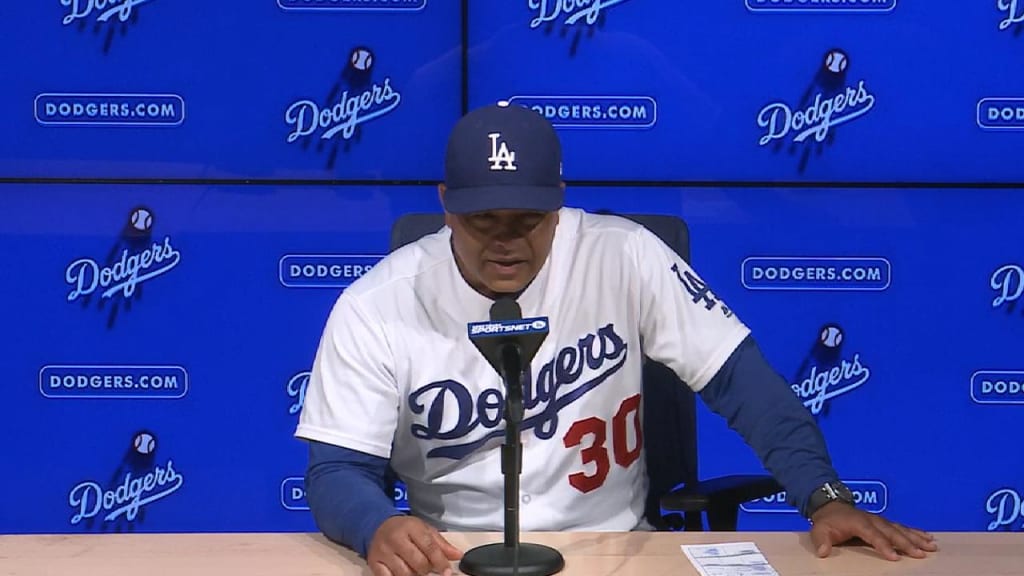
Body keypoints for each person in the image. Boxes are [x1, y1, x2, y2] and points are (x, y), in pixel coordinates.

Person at [295, 102, 938, 576]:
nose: (505, 240)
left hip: (620, 550)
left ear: (560, 201)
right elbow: (336, 470)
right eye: (482, 217)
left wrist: (824, 498)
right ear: (444, 204)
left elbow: (744, 382)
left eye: (527, 218)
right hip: (453, 557)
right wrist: (377, 523)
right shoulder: (376, 304)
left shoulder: (625, 256)